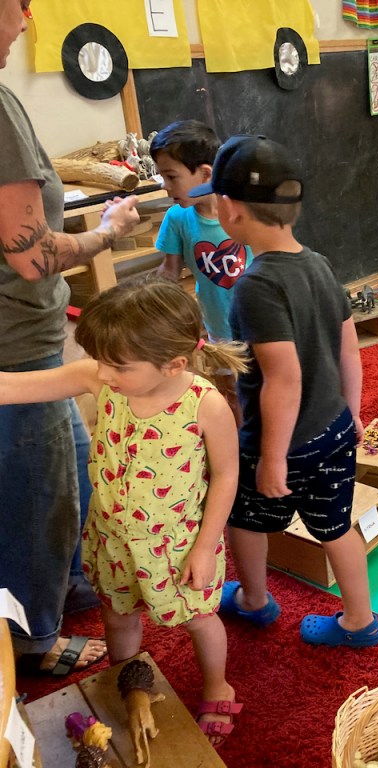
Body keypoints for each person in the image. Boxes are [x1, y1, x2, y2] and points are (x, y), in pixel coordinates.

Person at [0, 279, 248, 742]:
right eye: (99, 360)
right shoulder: (101, 378)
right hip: (113, 538)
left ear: (174, 364)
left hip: (178, 545)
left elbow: (227, 476)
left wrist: (205, 547)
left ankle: (218, 685)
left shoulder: (205, 405)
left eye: (118, 365)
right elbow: (14, 386)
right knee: (117, 615)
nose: (103, 372)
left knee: (198, 619)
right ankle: (129, 679)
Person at [192, 135, 378, 647]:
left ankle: (254, 600)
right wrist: (352, 412)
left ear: (229, 209)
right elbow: (349, 349)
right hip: (334, 428)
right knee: (336, 526)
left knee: (244, 518)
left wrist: (272, 458)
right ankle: (359, 621)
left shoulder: (255, 286)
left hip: (284, 443)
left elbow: (283, 378)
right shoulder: (318, 263)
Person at [1, 0, 141, 676]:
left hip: (22, 338)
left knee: (71, 470)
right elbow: (33, 256)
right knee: (37, 496)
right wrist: (108, 233)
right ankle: (33, 636)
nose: (25, 21)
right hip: (16, 345)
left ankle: (73, 581)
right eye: (17, 4)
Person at [152, 119, 251, 423]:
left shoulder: (242, 209)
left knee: (263, 386)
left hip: (258, 321)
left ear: (206, 174)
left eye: (171, 177)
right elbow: (169, 273)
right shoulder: (177, 218)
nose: (165, 186)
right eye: (162, 177)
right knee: (230, 391)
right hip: (218, 325)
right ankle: (239, 445)